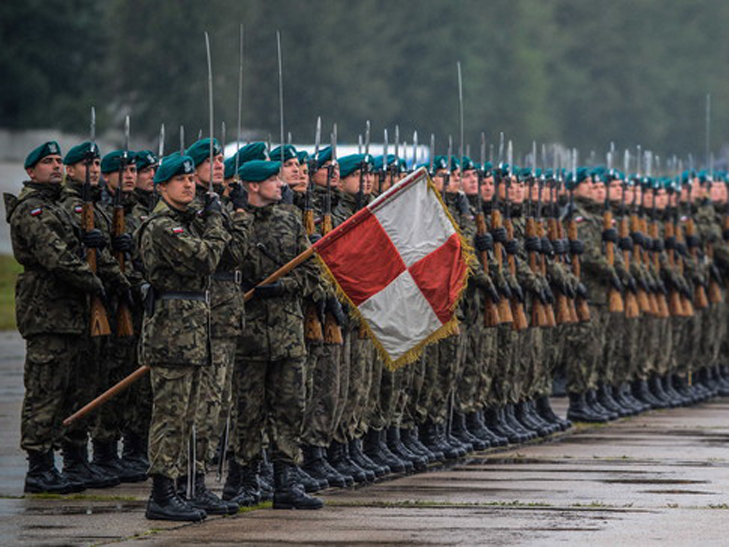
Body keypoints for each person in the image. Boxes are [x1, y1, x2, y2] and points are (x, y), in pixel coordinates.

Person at [6, 142, 108, 494]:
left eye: (57, 161)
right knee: (44, 390)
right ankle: (39, 466)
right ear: (31, 171)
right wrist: (95, 282)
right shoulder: (30, 210)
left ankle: (64, 460)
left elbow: (74, 246)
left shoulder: (56, 207)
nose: (54, 166)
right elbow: (56, 257)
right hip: (46, 311)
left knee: (69, 388)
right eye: (47, 162)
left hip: (68, 312)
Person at [136, 153, 230, 522]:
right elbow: (206, 258)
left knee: (189, 417)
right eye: (181, 180)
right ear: (162, 186)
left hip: (190, 333)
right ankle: (160, 494)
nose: (190, 185)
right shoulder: (164, 227)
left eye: (192, 179)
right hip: (171, 335)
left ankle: (176, 489)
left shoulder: (184, 222)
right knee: (170, 417)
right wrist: (215, 220)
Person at [231, 159, 324, 510]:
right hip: (248, 335)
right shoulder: (232, 220)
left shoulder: (289, 220)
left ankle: (286, 480)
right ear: (252, 186)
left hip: (287, 333)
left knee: (290, 408)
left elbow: (313, 273)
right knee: (246, 411)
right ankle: (243, 479)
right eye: (271, 179)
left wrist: (285, 286)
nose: (280, 184)